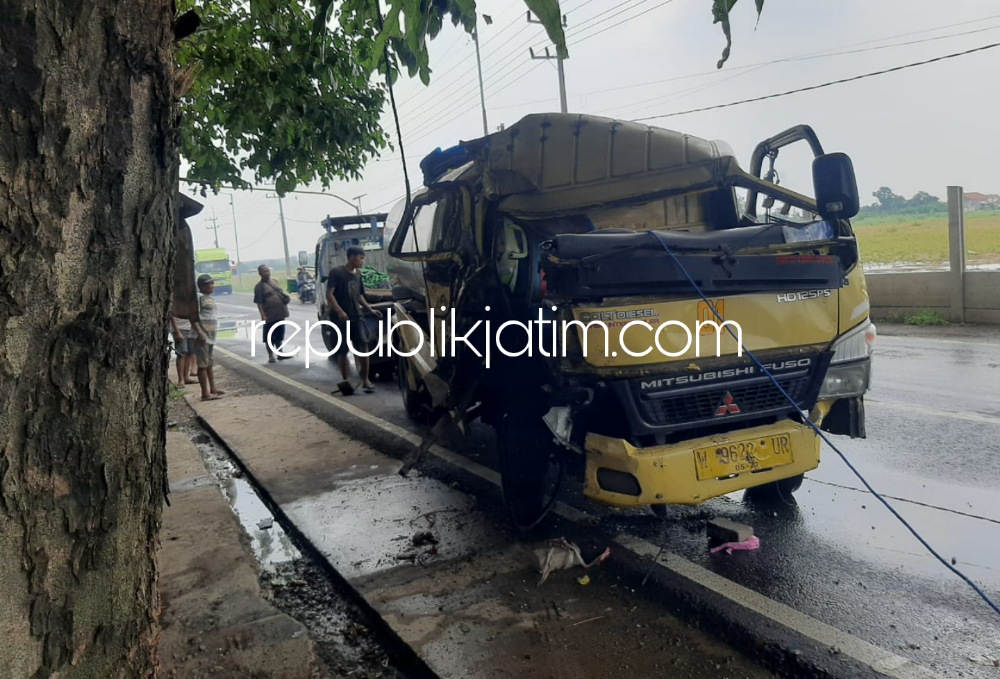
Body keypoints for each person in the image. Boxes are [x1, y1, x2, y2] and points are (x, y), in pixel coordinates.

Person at [328, 245, 382, 391]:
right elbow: (330, 294)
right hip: (340, 319)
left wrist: (370, 309)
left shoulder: (357, 274)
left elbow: (359, 296)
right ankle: (346, 380)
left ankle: (365, 379)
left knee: (363, 347)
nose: (362, 261)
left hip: (356, 316)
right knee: (342, 350)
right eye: (361, 258)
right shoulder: (336, 272)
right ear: (352, 257)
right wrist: (339, 311)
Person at [193, 274, 224, 401]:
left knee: (209, 363)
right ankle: (204, 393)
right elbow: (193, 317)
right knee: (202, 365)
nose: (212, 286)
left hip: (211, 336)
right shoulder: (198, 297)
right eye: (209, 284)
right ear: (202, 286)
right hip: (202, 336)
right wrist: (200, 332)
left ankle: (213, 388)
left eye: (212, 283)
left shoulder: (210, 298)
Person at [253, 264, 291, 363]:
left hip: (280, 313)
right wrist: (263, 315)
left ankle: (280, 354)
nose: (267, 273)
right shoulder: (259, 287)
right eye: (264, 271)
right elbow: (259, 303)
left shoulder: (275, 281)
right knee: (269, 336)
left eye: (267, 271)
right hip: (269, 315)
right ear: (260, 274)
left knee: (279, 334)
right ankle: (271, 356)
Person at [169, 312, 197, 388]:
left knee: (189, 353)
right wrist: (177, 332)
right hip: (180, 329)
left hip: (189, 328)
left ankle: (186, 377)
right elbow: (172, 316)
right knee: (181, 354)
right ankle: (181, 379)